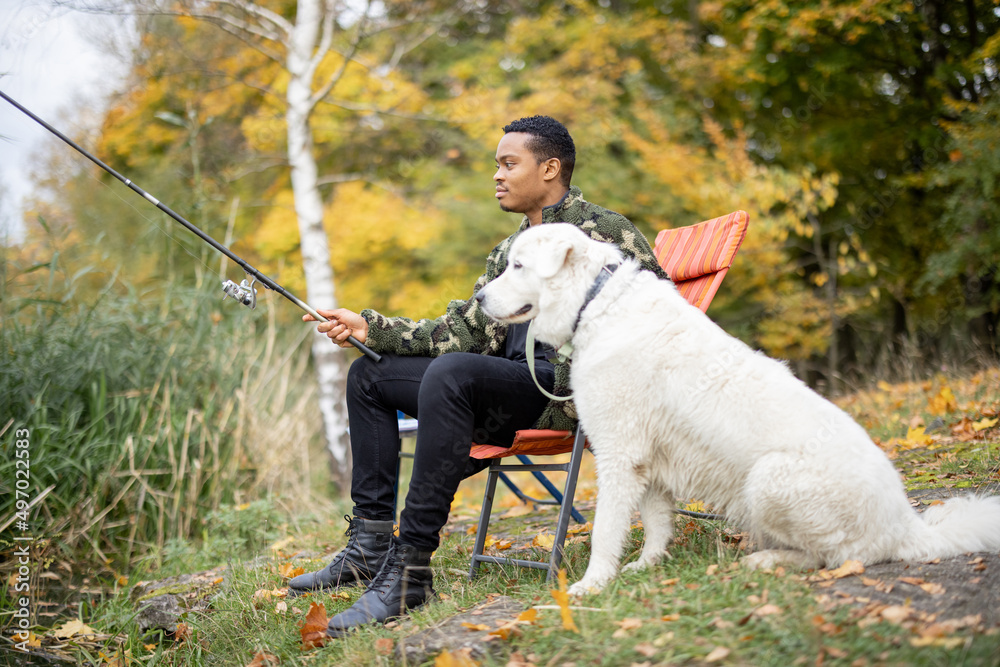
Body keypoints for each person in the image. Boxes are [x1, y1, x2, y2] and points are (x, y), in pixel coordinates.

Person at [294, 115, 670, 638]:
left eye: (508, 164)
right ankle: (369, 545)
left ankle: (410, 570)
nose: (496, 175)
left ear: (550, 168)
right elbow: (460, 334)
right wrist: (370, 327)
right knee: (369, 376)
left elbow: (656, 315)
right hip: (504, 389)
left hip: (562, 396)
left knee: (452, 373)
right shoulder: (506, 253)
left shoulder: (604, 232)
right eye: (497, 164)